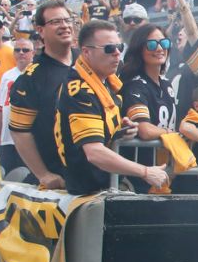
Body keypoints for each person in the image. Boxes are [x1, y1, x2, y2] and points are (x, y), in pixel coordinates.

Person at [54, 20, 168, 195]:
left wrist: (121, 130)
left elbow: (101, 132)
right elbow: (94, 152)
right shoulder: (80, 90)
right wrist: (145, 172)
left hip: (105, 185)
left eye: (119, 47)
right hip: (88, 192)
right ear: (86, 52)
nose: (116, 54)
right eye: (109, 49)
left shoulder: (106, 82)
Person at [9, 0, 75, 190]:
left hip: (95, 174)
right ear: (40, 30)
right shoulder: (32, 77)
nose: (64, 26)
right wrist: (43, 174)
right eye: (55, 22)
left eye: (67, 20)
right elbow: (19, 131)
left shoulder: (88, 61)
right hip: (59, 181)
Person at [118, 23, 179, 193]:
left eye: (164, 43)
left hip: (163, 173)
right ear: (139, 50)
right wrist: (171, 135)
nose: (159, 48)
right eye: (152, 44)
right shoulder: (135, 85)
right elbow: (144, 130)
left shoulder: (167, 84)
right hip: (139, 178)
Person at [0, 37, 35, 178]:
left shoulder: (37, 74)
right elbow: (0, 107)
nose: (21, 53)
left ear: (33, 53)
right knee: (7, 174)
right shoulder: (7, 75)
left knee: (27, 175)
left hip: (29, 136)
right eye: (17, 50)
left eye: (25, 50)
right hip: (7, 137)